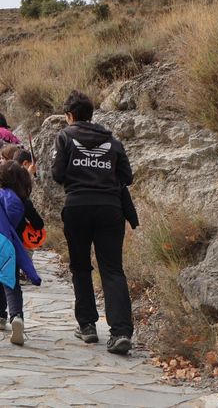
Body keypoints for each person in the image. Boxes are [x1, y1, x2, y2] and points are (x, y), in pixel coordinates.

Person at [52, 90, 135, 355]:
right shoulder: (112, 140)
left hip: (77, 206)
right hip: (110, 209)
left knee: (80, 266)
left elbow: (57, 174)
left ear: (70, 115)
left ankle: (87, 326)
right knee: (112, 269)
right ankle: (121, 332)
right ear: (90, 114)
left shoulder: (65, 136)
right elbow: (127, 176)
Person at [0, 161, 43, 346]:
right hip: (13, 246)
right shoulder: (24, 201)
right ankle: (17, 316)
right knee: (12, 282)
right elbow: (39, 224)